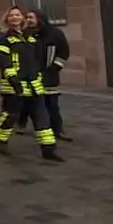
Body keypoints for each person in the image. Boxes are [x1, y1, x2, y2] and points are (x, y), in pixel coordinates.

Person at [0, 6, 64, 162]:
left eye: (17, 15)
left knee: (41, 116)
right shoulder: (2, 37)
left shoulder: (30, 37)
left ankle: (48, 149)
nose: (15, 18)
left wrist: (41, 74)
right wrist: (13, 79)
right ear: (7, 19)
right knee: (11, 115)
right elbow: (2, 60)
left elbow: (36, 59)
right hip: (14, 84)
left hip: (34, 84)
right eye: (11, 16)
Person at [23, 9, 71, 141]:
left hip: (49, 75)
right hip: (30, 76)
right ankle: (32, 127)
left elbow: (64, 52)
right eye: (26, 18)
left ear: (39, 18)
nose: (28, 20)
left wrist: (54, 68)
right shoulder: (25, 34)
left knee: (52, 105)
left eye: (31, 17)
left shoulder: (54, 33)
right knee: (29, 103)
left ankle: (57, 130)